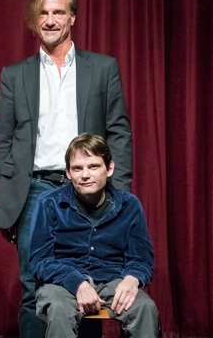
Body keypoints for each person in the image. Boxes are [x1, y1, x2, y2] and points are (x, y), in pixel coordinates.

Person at [0, 0, 132, 336]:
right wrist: (8, 196)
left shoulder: (102, 68)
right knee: (32, 287)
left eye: (58, 12)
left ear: (72, 17)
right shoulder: (14, 74)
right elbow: (5, 140)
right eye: (43, 13)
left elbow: (119, 132)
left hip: (88, 190)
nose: (50, 20)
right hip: (36, 191)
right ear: (34, 20)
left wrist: (118, 191)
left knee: (90, 283)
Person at [29, 133, 159, 337]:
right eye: (77, 168)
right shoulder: (49, 203)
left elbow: (142, 258)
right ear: (68, 173)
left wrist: (133, 279)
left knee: (144, 307)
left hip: (112, 279)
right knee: (58, 308)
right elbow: (39, 259)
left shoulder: (129, 205)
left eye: (93, 166)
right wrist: (76, 282)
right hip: (63, 283)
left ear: (109, 168)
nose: (85, 175)